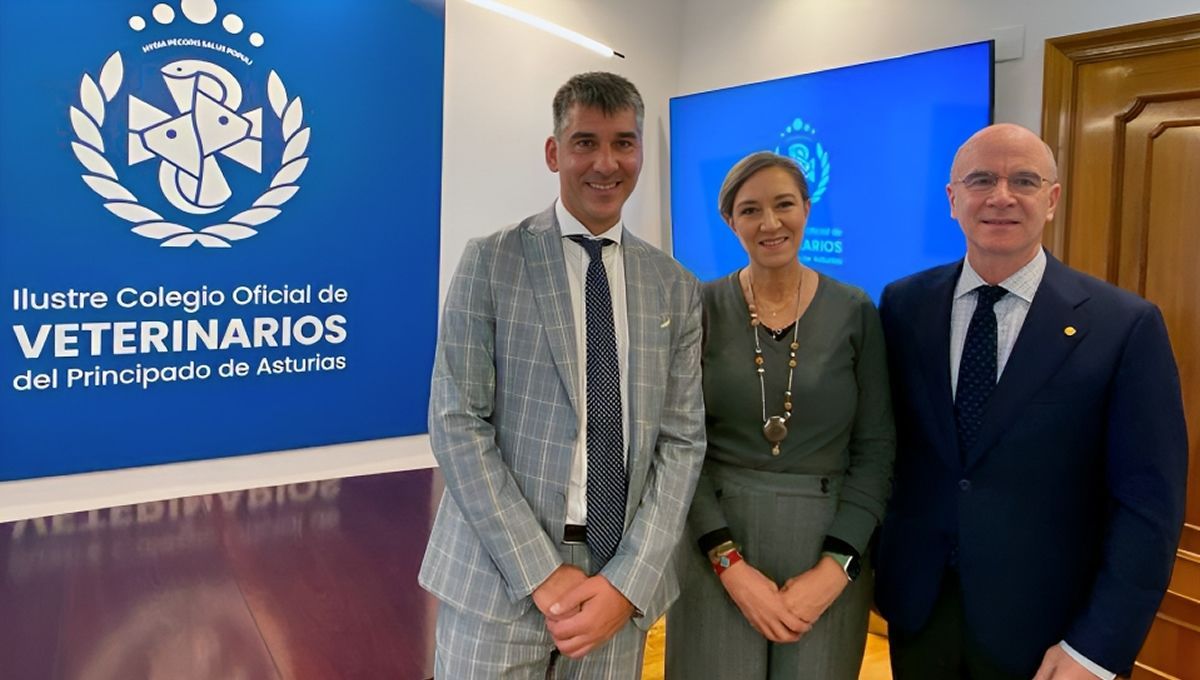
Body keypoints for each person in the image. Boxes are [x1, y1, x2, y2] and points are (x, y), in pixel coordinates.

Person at [418, 71, 706, 679]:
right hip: (497, 579)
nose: (606, 163)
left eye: (623, 143)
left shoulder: (675, 287)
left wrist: (628, 582)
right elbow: (456, 422)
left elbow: (682, 444)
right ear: (554, 152)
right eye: (585, 142)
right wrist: (541, 572)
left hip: (615, 585)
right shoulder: (491, 261)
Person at [875, 123, 1188, 679]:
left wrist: (1097, 649)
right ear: (952, 199)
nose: (1001, 196)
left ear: (1052, 199)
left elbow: (1149, 507)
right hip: (921, 615)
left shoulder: (1123, 325)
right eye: (981, 180)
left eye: (1024, 180)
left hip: (1052, 635)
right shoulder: (904, 306)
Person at [665, 151, 895, 679]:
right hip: (716, 542)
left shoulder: (855, 311)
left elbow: (877, 449)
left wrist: (836, 568)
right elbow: (679, 443)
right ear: (730, 221)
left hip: (826, 544)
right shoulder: (699, 307)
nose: (770, 223)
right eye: (750, 210)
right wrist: (728, 564)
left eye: (784, 204)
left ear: (807, 209)